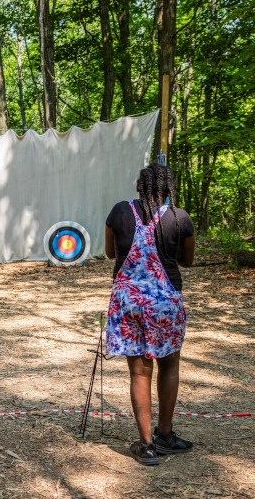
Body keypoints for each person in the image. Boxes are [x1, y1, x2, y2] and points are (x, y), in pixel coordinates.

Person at [105, 163, 195, 465]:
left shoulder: (120, 211)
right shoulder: (180, 218)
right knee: (169, 365)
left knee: (139, 372)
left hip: (129, 303)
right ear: (169, 189)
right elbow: (187, 261)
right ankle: (165, 436)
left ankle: (146, 446)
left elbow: (110, 253)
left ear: (138, 187)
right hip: (166, 303)